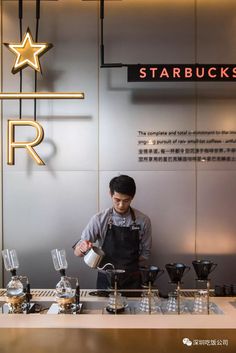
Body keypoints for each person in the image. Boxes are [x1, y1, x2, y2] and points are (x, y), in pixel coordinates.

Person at [73, 175, 152, 289]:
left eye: (126, 200)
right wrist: (82, 248)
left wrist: (127, 265)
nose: (121, 205)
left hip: (132, 280)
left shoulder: (143, 221)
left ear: (132, 197)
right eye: (117, 200)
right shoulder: (99, 219)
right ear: (110, 194)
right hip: (106, 280)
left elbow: (145, 254)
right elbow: (77, 252)